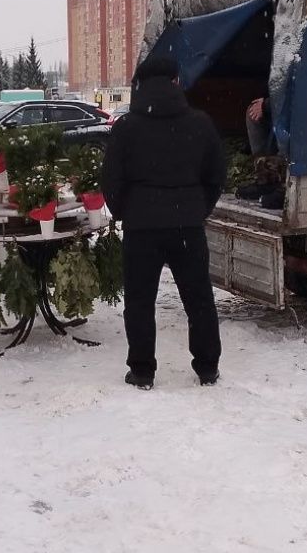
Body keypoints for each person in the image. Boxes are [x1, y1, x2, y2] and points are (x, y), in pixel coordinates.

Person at [101, 55, 226, 390]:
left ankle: (142, 371)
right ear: (175, 83)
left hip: (141, 228)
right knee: (199, 299)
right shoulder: (200, 123)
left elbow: (111, 180)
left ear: (139, 86)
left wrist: (126, 211)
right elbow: (216, 176)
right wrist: (198, 208)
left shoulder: (126, 128)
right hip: (187, 225)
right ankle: (207, 367)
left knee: (140, 301)